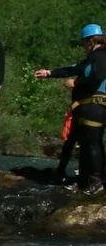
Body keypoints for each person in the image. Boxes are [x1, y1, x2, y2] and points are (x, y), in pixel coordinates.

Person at [35, 24, 106, 194]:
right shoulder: (92, 58)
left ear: (89, 41)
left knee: (92, 143)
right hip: (88, 106)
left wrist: (76, 83)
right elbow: (72, 69)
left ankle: (96, 180)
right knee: (86, 143)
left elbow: (99, 74)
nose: (83, 48)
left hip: (96, 105)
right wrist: (49, 73)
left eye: (83, 44)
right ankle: (83, 180)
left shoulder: (101, 56)